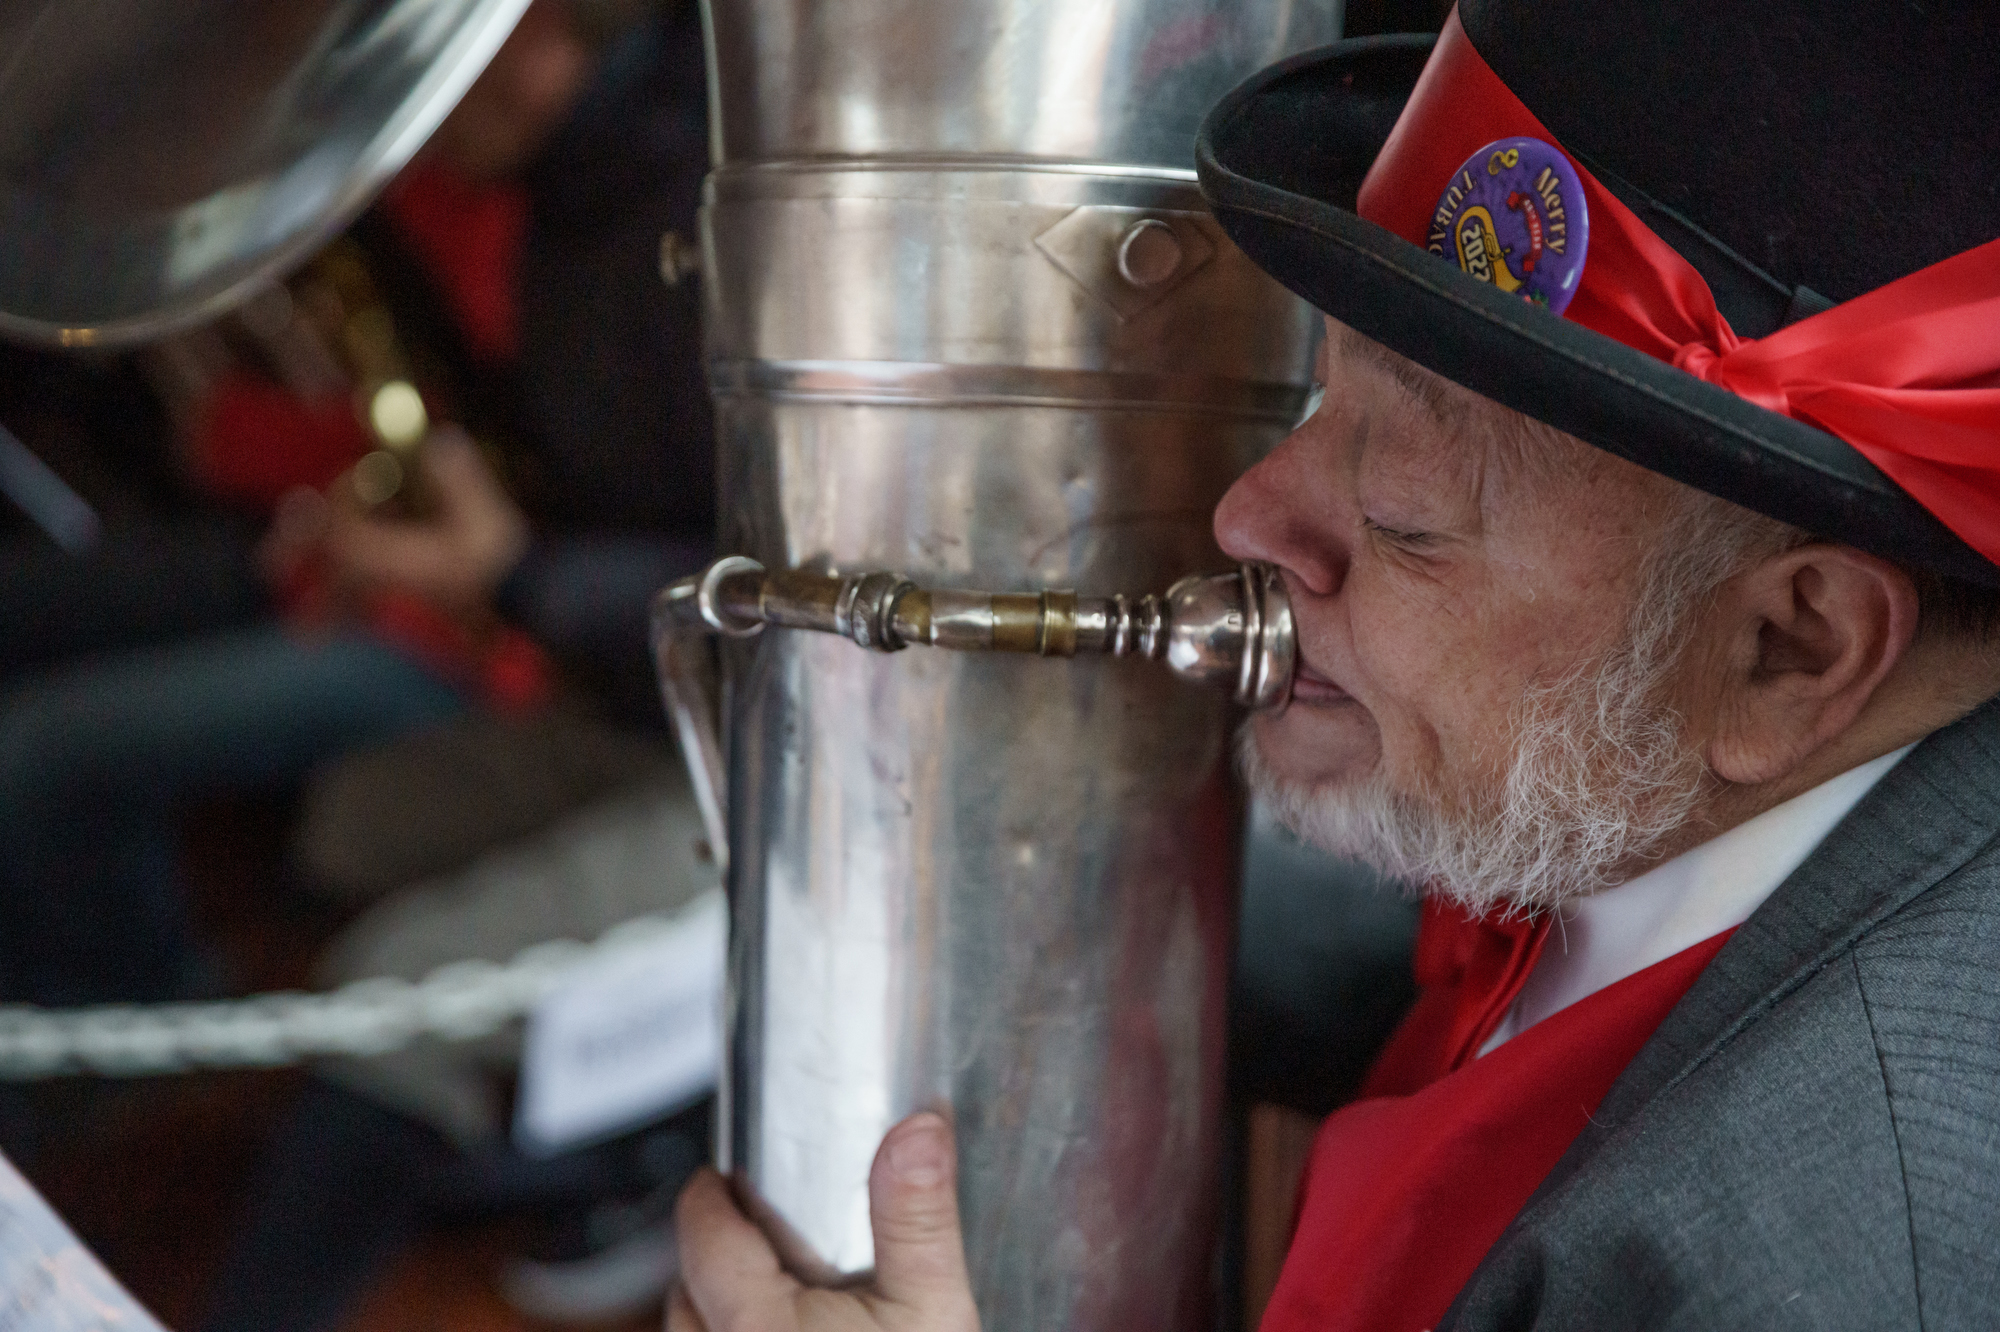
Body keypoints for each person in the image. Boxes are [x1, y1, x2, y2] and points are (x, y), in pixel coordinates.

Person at [666, 0, 2000, 1328]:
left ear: (1791, 647)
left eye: (1408, 515)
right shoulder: (1654, 800)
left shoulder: (1820, 1262)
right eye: (1319, 401)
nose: (1249, 518)